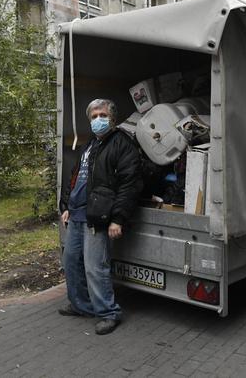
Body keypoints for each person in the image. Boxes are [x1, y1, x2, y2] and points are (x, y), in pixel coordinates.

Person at [58, 99, 143, 335]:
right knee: (71, 263)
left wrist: (118, 218)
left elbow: (129, 185)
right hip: (76, 215)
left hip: (97, 216)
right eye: (94, 116)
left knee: (96, 268)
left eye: (102, 115)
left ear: (113, 118)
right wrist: (66, 204)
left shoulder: (121, 144)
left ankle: (108, 312)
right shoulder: (89, 145)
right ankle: (82, 306)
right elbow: (76, 177)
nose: (98, 120)